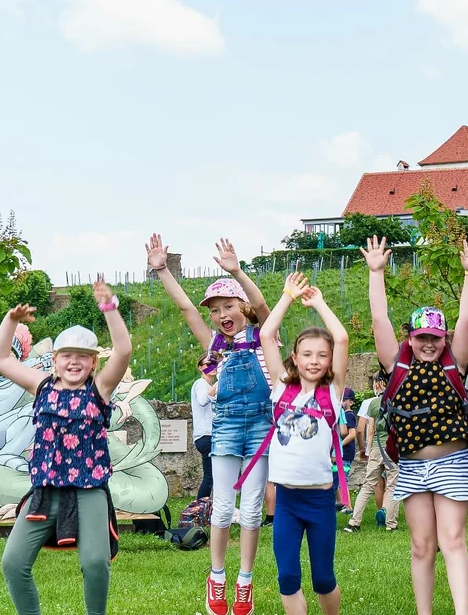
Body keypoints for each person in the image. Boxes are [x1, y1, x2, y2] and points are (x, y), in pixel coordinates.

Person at [146, 234, 271, 615]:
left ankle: (244, 582)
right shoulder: (215, 346)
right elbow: (186, 309)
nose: (221, 315)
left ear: (242, 306)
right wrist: (162, 270)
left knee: (250, 511)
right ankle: (216, 577)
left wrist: (237, 270)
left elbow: (264, 305)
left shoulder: (264, 335)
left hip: (261, 427)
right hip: (228, 427)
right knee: (220, 509)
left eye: (228, 306)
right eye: (215, 310)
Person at [0, 277, 130, 615]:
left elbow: (124, 350)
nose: (74, 362)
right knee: (13, 563)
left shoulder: (99, 390)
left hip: (89, 491)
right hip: (45, 492)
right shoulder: (41, 387)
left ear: (93, 363)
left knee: (96, 563)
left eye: (82, 357)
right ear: (54, 360)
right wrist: (11, 320)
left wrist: (109, 307)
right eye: (67, 356)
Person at [365, 236, 468, 615]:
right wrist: (376, 273)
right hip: (414, 467)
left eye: (435, 337)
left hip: (452, 464)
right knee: (421, 546)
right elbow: (379, 319)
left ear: (444, 338)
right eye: (421, 337)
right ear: (411, 338)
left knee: (452, 540)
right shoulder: (397, 365)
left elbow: (467, 318)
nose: (428, 344)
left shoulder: (456, 363)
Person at [249, 273, 351, 615]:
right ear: (294, 356)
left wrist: (318, 302)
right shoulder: (282, 388)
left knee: (323, 578)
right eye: (307, 354)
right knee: (288, 577)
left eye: (322, 355)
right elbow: (265, 333)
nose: (314, 361)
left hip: (320, 500)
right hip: (287, 502)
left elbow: (341, 336)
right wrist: (287, 297)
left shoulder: (333, 392)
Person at [347, 375, 397, 532]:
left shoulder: (373, 403)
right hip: (393, 449)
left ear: (378, 385)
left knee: (368, 485)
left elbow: (371, 430)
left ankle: (354, 522)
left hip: (377, 448)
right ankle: (390, 524)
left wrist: (366, 450)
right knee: (392, 486)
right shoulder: (399, 402)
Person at [193, 368, 216, 500]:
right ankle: (198, 509)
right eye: (208, 364)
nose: (212, 367)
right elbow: (202, 400)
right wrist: (217, 385)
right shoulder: (200, 384)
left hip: (211, 435)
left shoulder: (208, 385)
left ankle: (210, 508)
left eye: (214, 364)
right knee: (210, 476)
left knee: (215, 476)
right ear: (201, 368)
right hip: (206, 435)